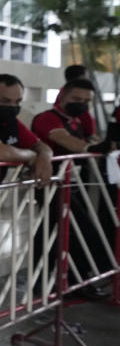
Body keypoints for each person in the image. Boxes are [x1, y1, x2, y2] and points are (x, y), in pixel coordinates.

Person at [31, 78, 111, 299]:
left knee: (63, 234)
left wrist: (103, 145)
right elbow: (66, 141)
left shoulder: (78, 121)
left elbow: (89, 139)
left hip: (74, 184)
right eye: (77, 99)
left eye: (86, 101)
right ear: (63, 95)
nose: (82, 104)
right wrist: (93, 148)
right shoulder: (47, 118)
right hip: (51, 184)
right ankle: (47, 284)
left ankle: (69, 283)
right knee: (67, 233)